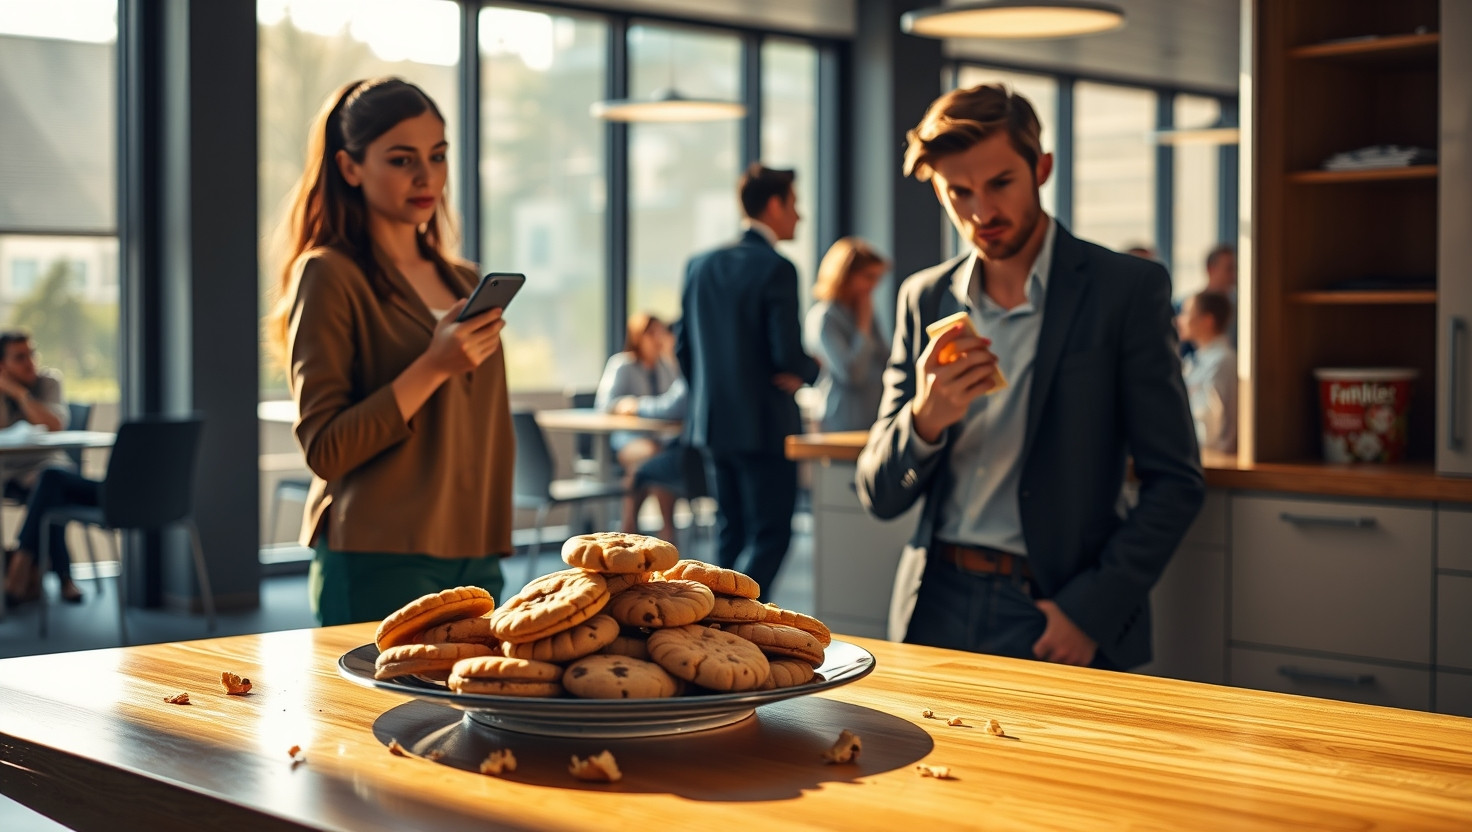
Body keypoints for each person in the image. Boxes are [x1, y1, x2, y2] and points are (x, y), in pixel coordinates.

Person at [855, 84, 1205, 670]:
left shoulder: (1125, 290)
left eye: (1000, 184)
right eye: (957, 192)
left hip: (1054, 610)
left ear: (1041, 167)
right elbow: (880, 493)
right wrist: (925, 419)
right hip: (932, 603)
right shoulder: (924, 298)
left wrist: (1090, 612)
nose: (981, 213)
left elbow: (1176, 481)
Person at [267, 77, 514, 626]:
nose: (427, 177)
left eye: (438, 155)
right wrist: (433, 365)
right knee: (380, 715)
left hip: (476, 553)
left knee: (472, 713)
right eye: (402, 160)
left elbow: (487, 427)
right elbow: (325, 448)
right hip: (379, 552)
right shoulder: (329, 274)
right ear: (350, 168)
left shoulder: (463, 280)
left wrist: (494, 538)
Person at [676, 163, 819, 599]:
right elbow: (786, 355)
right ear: (774, 206)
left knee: (730, 533)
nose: (800, 216)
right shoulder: (777, 267)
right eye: (794, 204)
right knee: (771, 534)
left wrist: (712, 391)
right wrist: (811, 369)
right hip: (764, 424)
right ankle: (734, 617)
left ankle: (711, 624)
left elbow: (683, 348)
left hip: (714, 424)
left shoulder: (699, 265)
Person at [0, 331, 87, 605]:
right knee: (49, 495)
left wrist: (20, 394)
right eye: (20, 358)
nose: (30, 363)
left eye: (31, 354)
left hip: (49, 466)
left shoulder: (49, 382)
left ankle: (19, 567)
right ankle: (63, 577)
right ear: (2, 365)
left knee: (49, 483)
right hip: (8, 471)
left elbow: (54, 425)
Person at [595, 313, 688, 540]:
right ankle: (664, 529)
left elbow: (675, 403)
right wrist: (626, 406)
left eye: (660, 332)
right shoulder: (622, 365)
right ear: (638, 336)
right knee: (652, 456)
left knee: (655, 458)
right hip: (628, 438)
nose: (657, 338)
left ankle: (630, 529)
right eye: (651, 332)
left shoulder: (666, 366)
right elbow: (605, 404)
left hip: (659, 438)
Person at [804, 238, 890, 432]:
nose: (873, 286)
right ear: (845, 275)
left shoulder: (864, 311)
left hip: (873, 418)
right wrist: (863, 327)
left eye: (877, 278)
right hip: (841, 420)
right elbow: (853, 373)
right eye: (868, 277)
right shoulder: (825, 317)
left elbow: (886, 361)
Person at [1177, 291, 1237, 453]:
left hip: (1213, 460)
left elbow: (1209, 432)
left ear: (1207, 320)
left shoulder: (1222, 362)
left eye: (1186, 313)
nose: (1179, 320)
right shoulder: (1196, 360)